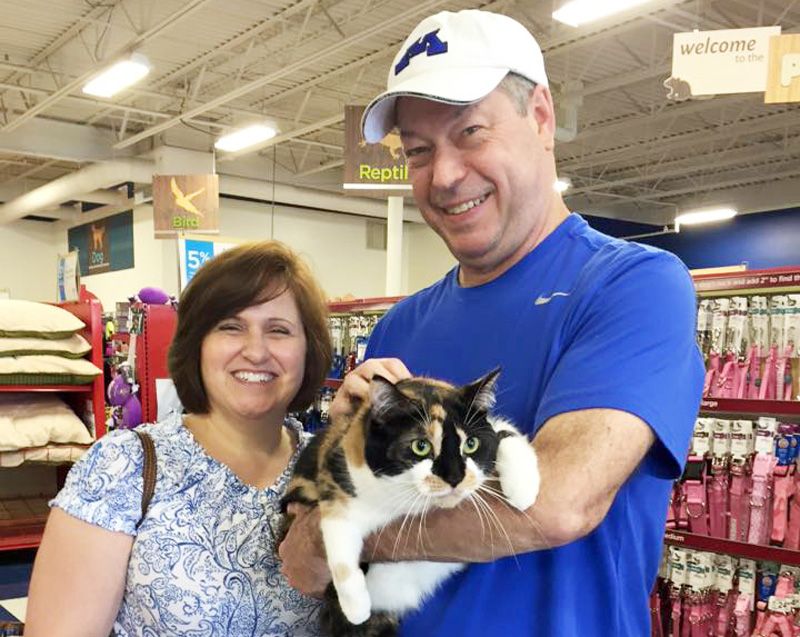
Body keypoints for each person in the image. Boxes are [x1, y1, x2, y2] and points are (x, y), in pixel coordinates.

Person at [279, 9, 704, 637]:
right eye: (418, 152)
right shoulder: (399, 328)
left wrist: (335, 531)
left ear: (541, 117)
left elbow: (558, 502)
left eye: (471, 132)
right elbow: (304, 558)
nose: (444, 176)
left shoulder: (632, 284)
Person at [25, 241, 332, 637]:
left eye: (279, 330)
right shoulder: (123, 468)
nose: (256, 351)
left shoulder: (330, 472)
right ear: (197, 343)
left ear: (309, 349)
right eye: (231, 326)